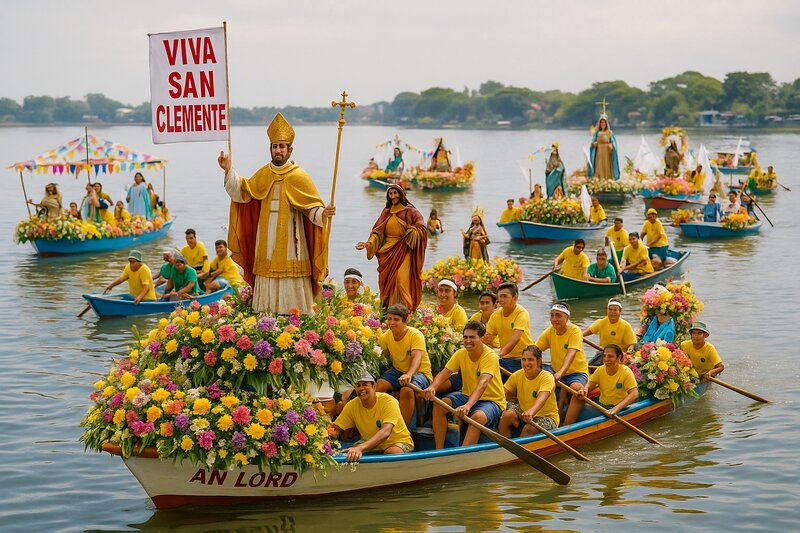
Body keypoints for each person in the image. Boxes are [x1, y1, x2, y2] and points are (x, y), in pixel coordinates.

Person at [219, 112, 335, 314]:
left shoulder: (299, 176)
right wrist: (228, 170)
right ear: (271, 149)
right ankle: (266, 317)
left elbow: (311, 209)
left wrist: (323, 214)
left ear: (290, 149)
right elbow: (243, 192)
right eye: (275, 146)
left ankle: (297, 316)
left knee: (292, 275)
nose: (278, 150)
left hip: (292, 237)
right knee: (266, 274)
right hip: (265, 239)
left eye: (282, 146)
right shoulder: (264, 173)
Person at [423, 321, 506, 449]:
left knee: (476, 417)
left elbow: (483, 382)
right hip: (467, 395)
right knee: (440, 404)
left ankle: (464, 453)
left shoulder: (490, 356)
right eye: (465, 337)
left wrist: (468, 405)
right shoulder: (461, 353)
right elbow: (444, 373)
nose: (468, 341)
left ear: (482, 338)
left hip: (492, 401)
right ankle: (439, 449)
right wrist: (432, 387)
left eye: (472, 337)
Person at [356, 184, 427, 312]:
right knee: (386, 284)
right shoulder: (386, 212)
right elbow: (377, 232)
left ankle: (406, 313)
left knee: (401, 280)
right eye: (391, 194)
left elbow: (421, 227)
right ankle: (388, 311)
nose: (393, 196)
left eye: (395, 193)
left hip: (403, 250)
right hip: (387, 252)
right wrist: (368, 244)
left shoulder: (411, 211)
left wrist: (413, 231)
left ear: (401, 194)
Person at [330, 371, 414, 461]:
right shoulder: (352, 405)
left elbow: (386, 431)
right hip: (370, 444)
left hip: (398, 442)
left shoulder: (388, 401)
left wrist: (361, 448)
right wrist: (320, 436)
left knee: (392, 452)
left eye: (365, 384)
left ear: (374, 387)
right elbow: (336, 428)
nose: (361, 388)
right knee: (346, 454)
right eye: (358, 385)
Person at [376, 304, 433, 425]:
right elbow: (382, 354)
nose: (391, 323)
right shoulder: (386, 336)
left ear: (405, 321)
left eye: (396, 319)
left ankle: (402, 431)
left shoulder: (415, 335)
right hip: (398, 371)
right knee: (378, 386)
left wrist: (409, 374)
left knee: (406, 390)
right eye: (389, 319)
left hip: (420, 373)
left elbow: (417, 358)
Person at [534, 302, 589, 425]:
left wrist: (560, 373)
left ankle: (566, 425)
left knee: (577, 390)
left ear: (567, 318)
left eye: (558, 316)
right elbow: (535, 351)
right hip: (557, 372)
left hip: (576, 373)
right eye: (552, 315)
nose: (554, 319)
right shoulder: (549, 332)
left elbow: (571, 354)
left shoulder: (575, 331)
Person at [564, 343, 638, 424]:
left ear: (619, 357)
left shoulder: (626, 372)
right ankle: (566, 426)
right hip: (602, 406)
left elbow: (634, 395)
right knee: (577, 397)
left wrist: (615, 409)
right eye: (604, 356)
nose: (606, 359)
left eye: (610, 356)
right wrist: (584, 390)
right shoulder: (600, 370)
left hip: (620, 409)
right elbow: (589, 384)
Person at [499, 345, 559, 437]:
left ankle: (519, 448)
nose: (526, 363)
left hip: (547, 418)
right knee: (506, 415)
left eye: (530, 360)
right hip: (525, 413)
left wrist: (532, 411)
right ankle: (504, 444)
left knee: (528, 428)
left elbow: (542, 397)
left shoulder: (547, 377)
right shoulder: (517, 375)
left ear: (538, 361)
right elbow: (502, 394)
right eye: (523, 360)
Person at [484, 282, 534, 375]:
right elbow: (487, 338)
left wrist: (499, 355)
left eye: (505, 296)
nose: (501, 299)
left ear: (515, 298)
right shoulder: (496, 315)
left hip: (522, 359)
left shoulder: (522, 313)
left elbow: (515, 338)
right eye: (500, 296)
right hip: (506, 359)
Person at [583, 299, 637, 365]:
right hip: (603, 352)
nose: (612, 312)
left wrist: (628, 353)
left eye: (615, 310)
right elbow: (586, 332)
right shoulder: (601, 322)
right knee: (590, 367)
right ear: (607, 311)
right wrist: (578, 336)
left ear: (620, 312)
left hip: (619, 354)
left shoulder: (625, 325)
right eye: (610, 309)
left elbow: (632, 344)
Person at [588, 116, 620, 180]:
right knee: (599, 166)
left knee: (606, 166)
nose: (603, 124)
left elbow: (614, 143)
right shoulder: (597, 133)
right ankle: (598, 179)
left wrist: (612, 146)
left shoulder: (609, 133)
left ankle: (608, 179)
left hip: (607, 153)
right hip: (599, 152)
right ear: (600, 124)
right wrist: (594, 144)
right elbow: (593, 142)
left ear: (606, 124)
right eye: (601, 122)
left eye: (604, 122)